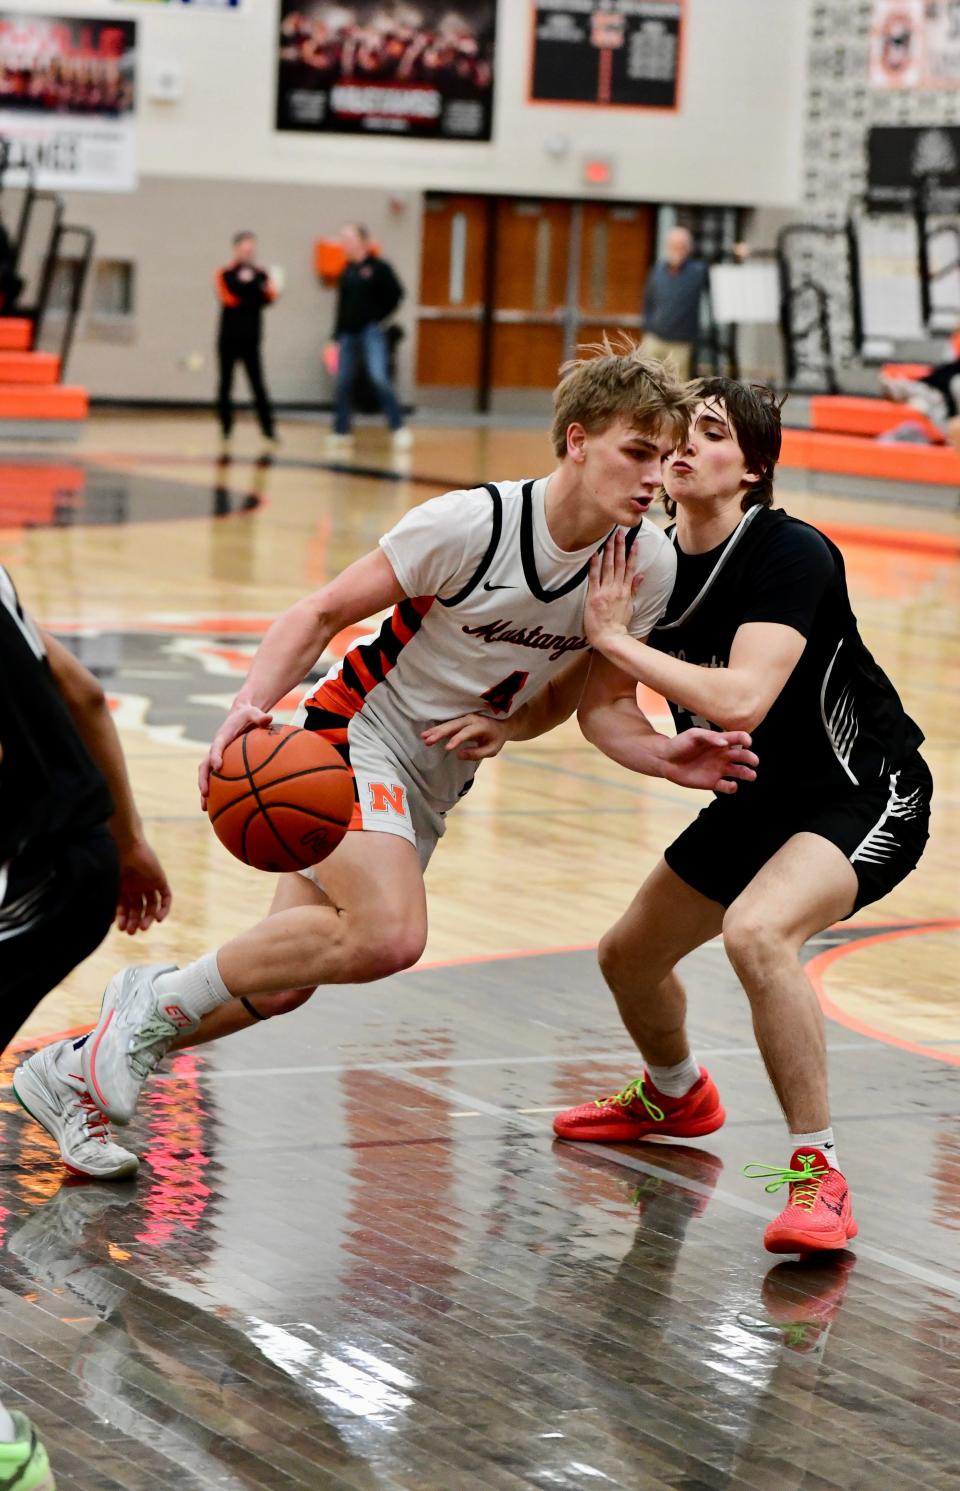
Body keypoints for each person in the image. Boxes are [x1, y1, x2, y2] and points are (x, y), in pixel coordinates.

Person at [18, 344, 758, 1170]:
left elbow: (595, 706)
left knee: (283, 978)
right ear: (578, 441)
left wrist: (658, 755)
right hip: (354, 733)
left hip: (435, 776)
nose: (655, 475)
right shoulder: (471, 524)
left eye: (664, 456)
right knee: (390, 934)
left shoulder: (642, 562)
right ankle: (143, 1002)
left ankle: (72, 1071)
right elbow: (320, 610)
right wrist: (247, 706)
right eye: (637, 451)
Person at [553, 378, 931, 1255]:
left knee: (758, 934)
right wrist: (643, 739)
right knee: (627, 956)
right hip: (752, 797)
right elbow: (603, 709)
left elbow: (745, 696)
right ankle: (676, 1092)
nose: (684, 444)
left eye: (712, 432)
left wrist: (616, 640)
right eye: (676, 431)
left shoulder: (790, 550)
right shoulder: (639, 561)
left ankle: (818, 1174)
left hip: (862, 792)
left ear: (753, 467)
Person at [0, 566, 172, 1489]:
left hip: (33, 871)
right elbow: (85, 692)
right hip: (79, 860)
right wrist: (133, 839)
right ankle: (64, 1077)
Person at [327, 223, 409, 453]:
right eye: (342, 238)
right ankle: (341, 431)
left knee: (378, 377)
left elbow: (398, 296)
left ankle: (398, 427)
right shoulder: (347, 271)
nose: (344, 242)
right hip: (348, 334)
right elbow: (341, 307)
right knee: (343, 382)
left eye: (348, 238)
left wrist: (380, 319)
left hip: (372, 332)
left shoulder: (379, 267)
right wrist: (335, 335)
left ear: (362, 241)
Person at [215, 232, 278, 450]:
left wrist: (249, 290)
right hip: (228, 337)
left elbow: (270, 296)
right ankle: (226, 428)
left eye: (251, 248)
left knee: (258, 385)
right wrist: (251, 292)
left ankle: (269, 430)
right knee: (226, 384)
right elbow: (229, 298)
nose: (247, 251)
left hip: (252, 339)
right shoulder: (224, 273)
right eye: (244, 247)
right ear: (236, 249)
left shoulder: (262, 274)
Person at [642, 226, 709, 380]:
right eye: (673, 245)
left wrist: (738, 257)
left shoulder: (698, 271)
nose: (677, 250)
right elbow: (648, 301)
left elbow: (720, 277)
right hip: (655, 338)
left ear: (688, 248)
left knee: (677, 385)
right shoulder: (657, 270)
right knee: (647, 380)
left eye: (681, 246)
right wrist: (648, 326)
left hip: (680, 343)